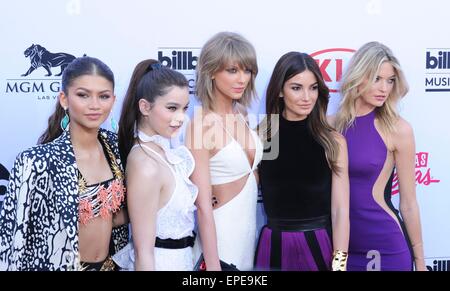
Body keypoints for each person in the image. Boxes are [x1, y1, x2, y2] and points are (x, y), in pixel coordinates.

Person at [0, 56, 128, 271]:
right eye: (83, 95)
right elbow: (14, 240)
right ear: (64, 99)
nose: (94, 105)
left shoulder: (116, 147)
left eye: (103, 96)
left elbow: (115, 216)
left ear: (113, 100)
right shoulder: (36, 162)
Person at [334, 41, 426, 271]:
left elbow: (409, 204)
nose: (384, 88)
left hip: (386, 247)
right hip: (340, 250)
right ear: (358, 76)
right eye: (377, 78)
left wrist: (421, 263)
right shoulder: (330, 125)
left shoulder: (398, 129)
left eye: (390, 80)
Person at [254, 52, 349, 271]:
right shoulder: (263, 137)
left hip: (320, 244)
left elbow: (340, 210)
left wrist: (339, 264)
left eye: (313, 87)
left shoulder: (331, 140)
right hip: (273, 245)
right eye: (296, 88)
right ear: (279, 90)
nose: (307, 97)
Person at [186, 32, 262, 270]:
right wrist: (213, 265)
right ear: (210, 72)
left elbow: (253, 173)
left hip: (249, 234)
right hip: (220, 239)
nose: (242, 79)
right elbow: (203, 206)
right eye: (232, 70)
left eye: (247, 70)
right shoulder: (200, 124)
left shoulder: (245, 115)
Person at [112, 59, 197, 271]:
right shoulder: (145, 164)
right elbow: (143, 253)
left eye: (184, 108)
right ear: (144, 107)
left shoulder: (163, 151)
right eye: (171, 108)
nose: (180, 117)